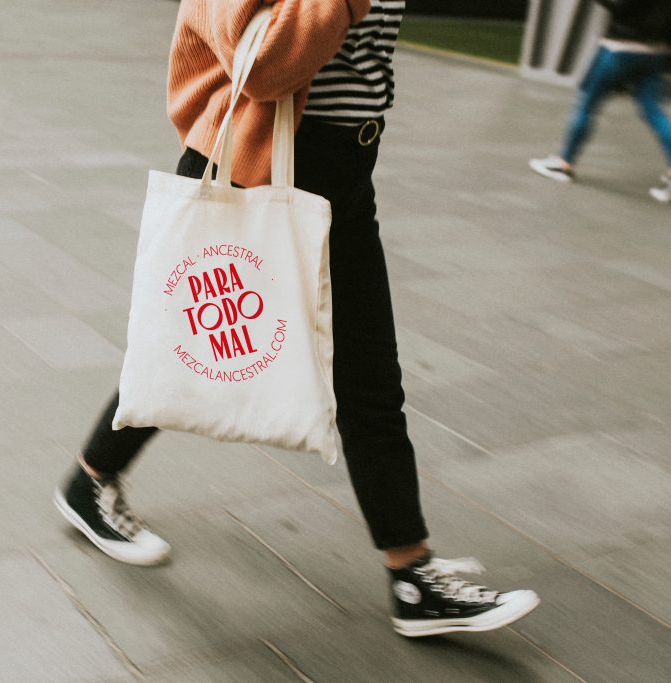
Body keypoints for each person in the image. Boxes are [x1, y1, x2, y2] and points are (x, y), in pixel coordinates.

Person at [55, 0, 540, 637]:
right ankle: (90, 482)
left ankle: (412, 575)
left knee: (366, 375)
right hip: (253, 165)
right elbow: (262, 64)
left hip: (343, 168)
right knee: (194, 348)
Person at [529, 0, 671, 203]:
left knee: (587, 104)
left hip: (619, 49)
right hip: (654, 52)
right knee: (654, 112)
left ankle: (564, 164)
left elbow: (620, 5)